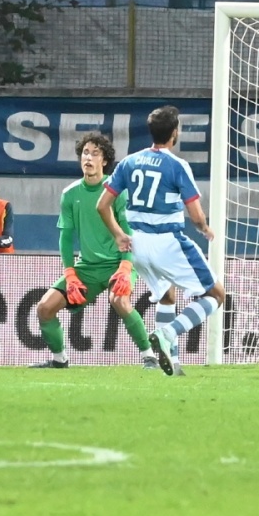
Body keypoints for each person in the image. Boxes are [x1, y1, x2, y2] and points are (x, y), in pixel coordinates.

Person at [97, 105, 225, 377]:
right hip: (167, 242)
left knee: (167, 295)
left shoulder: (129, 162)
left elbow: (102, 205)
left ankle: (173, 362)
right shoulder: (178, 166)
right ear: (175, 133)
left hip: (138, 244)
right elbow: (195, 214)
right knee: (216, 295)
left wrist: (119, 234)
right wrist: (205, 229)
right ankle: (169, 332)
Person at [30, 132, 156, 370]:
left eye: (95, 153)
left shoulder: (118, 192)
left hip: (120, 262)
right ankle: (60, 361)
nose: (88, 157)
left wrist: (126, 266)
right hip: (87, 267)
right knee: (45, 308)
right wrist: (70, 274)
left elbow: (129, 233)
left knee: (119, 299)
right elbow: (65, 238)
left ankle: (149, 356)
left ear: (104, 161)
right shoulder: (70, 194)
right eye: (85, 153)